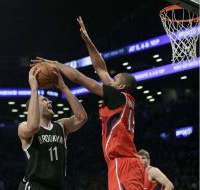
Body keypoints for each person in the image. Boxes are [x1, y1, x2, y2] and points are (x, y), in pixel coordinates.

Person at [31, 16, 144, 190]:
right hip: (125, 163)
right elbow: (101, 69)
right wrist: (88, 41)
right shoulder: (121, 99)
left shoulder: (117, 96)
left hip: (123, 163)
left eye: (114, 80)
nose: (110, 80)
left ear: (121, 86)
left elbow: (79, 78)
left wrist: (55, 64)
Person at [18, 65, 87, 190]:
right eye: (44, 100)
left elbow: (81, 118)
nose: (50, 102)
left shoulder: (61, 126)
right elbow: (33, 126)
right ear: (34, 106)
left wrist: (63, 87)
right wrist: (34, 89)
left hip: (56, 186)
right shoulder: (23, 127)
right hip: (34, 185)